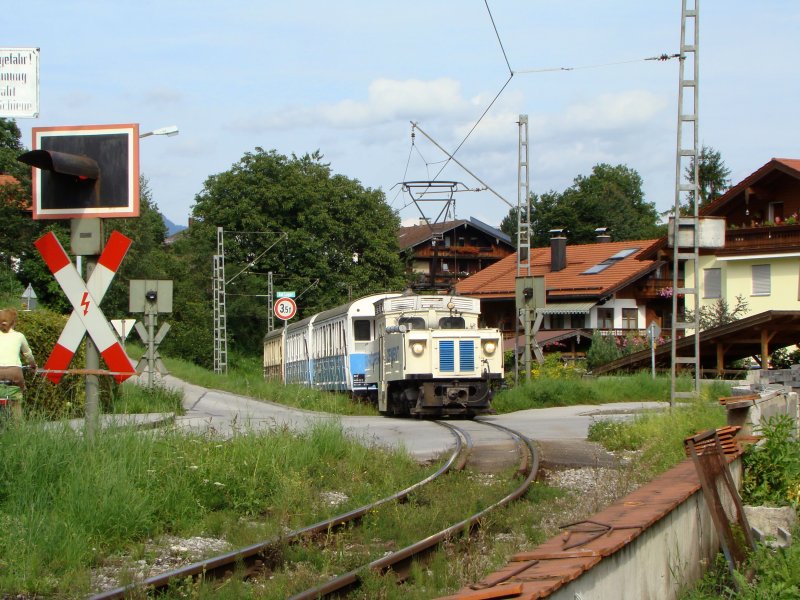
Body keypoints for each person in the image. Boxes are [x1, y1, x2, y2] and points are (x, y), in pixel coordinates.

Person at [0, 307, 37, 418]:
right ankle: (17, 427)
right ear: (14, 322)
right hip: (14, 372)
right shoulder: (19, 336)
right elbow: (28, 354)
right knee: (18, 395)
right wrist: (33, 365)